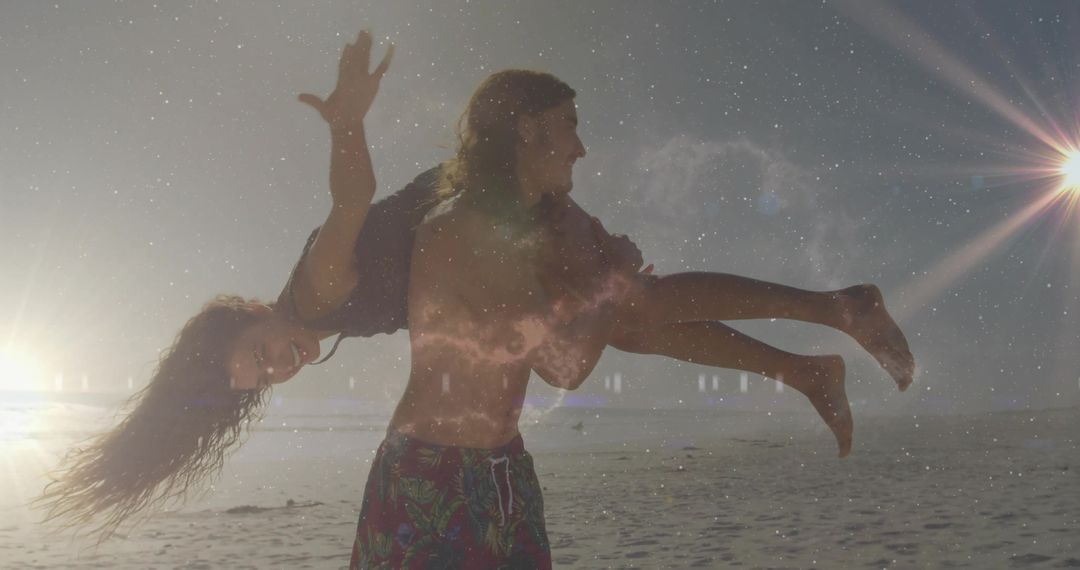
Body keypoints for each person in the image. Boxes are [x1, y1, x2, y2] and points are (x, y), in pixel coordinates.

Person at [345, 70, 914, 567]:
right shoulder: (465, 229)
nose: (581, 147)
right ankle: (828, 325)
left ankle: (823, 335)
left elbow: (627, 306)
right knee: (617, 303)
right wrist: (611, 278)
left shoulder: (547, 218)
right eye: (568, 123)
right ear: (526, 129)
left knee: (628, 308)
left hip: (506, 471)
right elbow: (563, 366)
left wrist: (612, 280)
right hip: (428, 476)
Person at [35, 30, 394, 540]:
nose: (280, 366)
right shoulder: (313, 309)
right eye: (266, 376)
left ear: (253, 310)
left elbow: (352, 201)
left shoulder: (314, 296)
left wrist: (348, 125)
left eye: (258, 354)